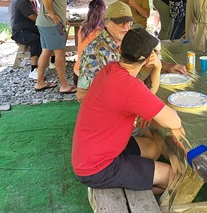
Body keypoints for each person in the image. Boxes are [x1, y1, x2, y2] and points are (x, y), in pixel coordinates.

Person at [72, 28, 183, 193]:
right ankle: (132, 189)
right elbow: (174, 120)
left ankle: (137, 182)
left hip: (96, 150)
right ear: (147, 60)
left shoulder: (110, 69)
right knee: (172, 175)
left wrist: (157, 69)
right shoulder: (130, 86)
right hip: (97, 167)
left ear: (120, 50)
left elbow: (145, 96)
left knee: (153, 148)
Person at [76, 1, 187, 103]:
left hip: (132, 94)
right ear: (106, 23)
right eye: (120, 22)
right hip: (109, 109)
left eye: (129, 22)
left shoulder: (129, 38)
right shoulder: (95, 53)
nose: (126, 26)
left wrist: (167, 66)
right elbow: (82, 95)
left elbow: (146, 58)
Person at [35, 0, 80, 93]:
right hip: (51, 24)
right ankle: (64, 85)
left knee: (46, 51)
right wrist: (53, 14)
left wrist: (60, 15)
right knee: (60, 53)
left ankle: (40, 82)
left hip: (44, 23)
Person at [11, 0, 42, 79]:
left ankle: (52, 60)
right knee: (36, 39)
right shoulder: (22, 3)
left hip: (27, 30)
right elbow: (35, 18)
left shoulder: (27, 2)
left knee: (46, 35)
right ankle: (34, 69)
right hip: (20, 33)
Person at [73, 0, 106, 85]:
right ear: (103, 13)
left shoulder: (82, 28)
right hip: (89, 75)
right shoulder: (101, 33)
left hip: (77, 71)